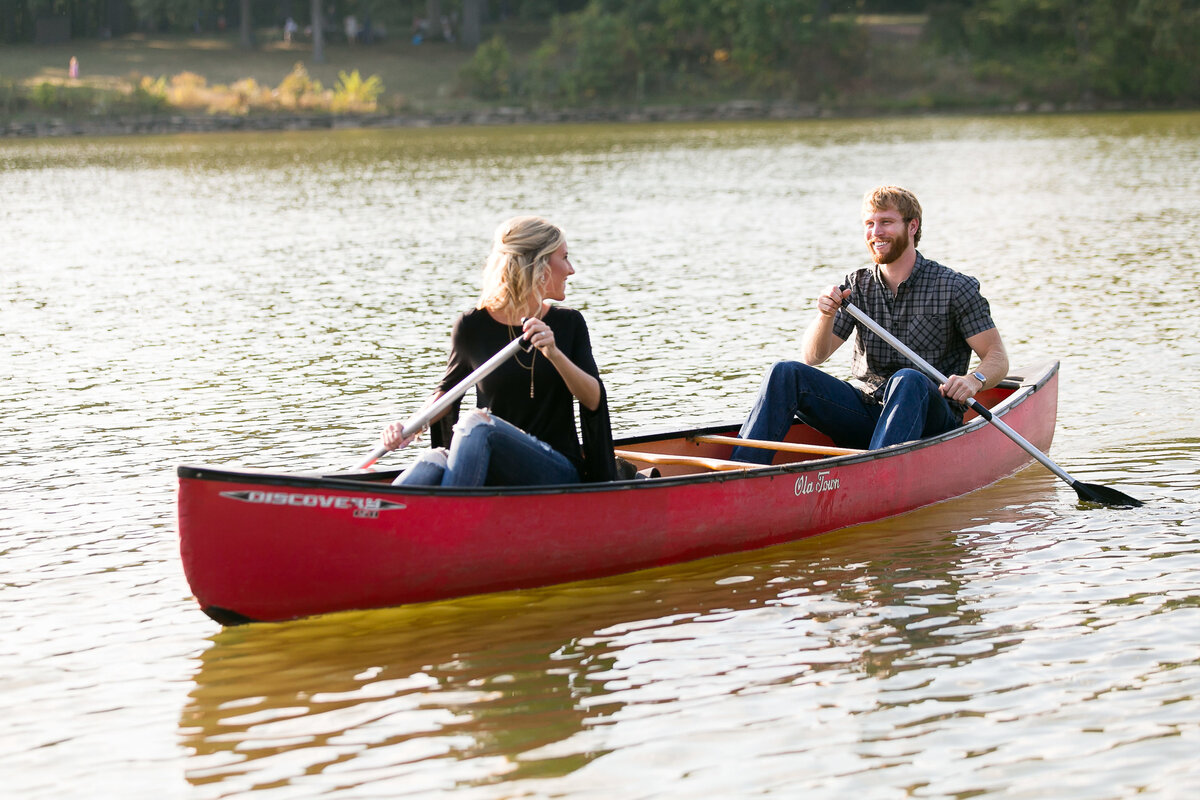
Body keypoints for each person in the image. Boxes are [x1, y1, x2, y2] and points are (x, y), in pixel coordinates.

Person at [731, 185, 1009, 462]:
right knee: (785, 372)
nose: (875, 233)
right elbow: (814, 357)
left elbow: (996, 357)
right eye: (869, 224)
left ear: (912, 226)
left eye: (886, 222)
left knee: (908, 379)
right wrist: (825, 315)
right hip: (869, 413)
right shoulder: (856, 286)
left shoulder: (955, 287)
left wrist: (974, 381)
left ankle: (874, 474)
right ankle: (741, 471)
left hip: (932, 418)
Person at [382, 216, 616, 487]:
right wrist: (409, 427)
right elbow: (447, 392)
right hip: (493, 465)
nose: (571, 269)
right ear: (539, 265)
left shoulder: (569, 323)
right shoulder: (472, 326)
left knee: (477, 423)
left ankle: (453, 518)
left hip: (557, 470)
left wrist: (554, 353)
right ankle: (373, 519)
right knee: (434, 459)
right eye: (564, 257)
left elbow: (593, 399)